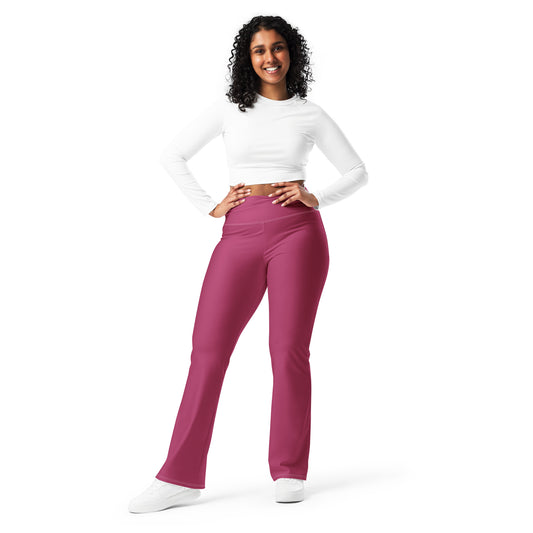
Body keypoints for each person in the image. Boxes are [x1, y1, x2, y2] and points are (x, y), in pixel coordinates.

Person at [128, 14, 368, 513]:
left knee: (287, 350)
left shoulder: (309, 113)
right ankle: (179, 476)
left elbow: (356, 170)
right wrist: (209, 206)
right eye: (260, 50)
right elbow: (172, 155)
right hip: (238, 233)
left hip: (298, 234)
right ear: (248, 58)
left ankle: (289, 469)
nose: (270, 58)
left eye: (278, 47)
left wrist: (316, 197)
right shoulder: (228, 110)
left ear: (291, 53)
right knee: (207, 351)